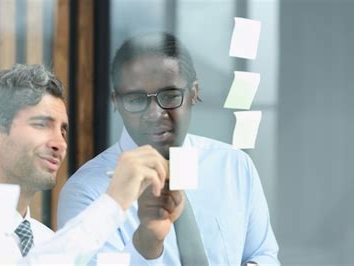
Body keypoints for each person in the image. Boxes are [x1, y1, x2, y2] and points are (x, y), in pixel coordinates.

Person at [57, 33, 280, 265]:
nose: (155, 114)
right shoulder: (87, 193)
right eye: (136, 99)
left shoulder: (233, 166)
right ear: (116, 102)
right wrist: (146, 243)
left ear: (193, 93)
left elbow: (262, 255)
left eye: (170, 95)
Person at [0, 64, 169, 265]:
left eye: (63, 130)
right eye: (41, 124)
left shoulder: (48, 240)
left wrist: (146, 242)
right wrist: (113, 203)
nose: (60, 143)